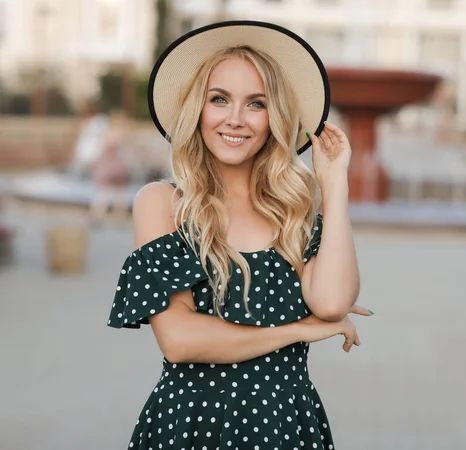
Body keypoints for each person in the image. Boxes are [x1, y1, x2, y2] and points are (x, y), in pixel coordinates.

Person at [107, 20, 372, 450]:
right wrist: (297, 330)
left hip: (286, 425)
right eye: (219, 99)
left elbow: (333, 302)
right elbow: (179, 340)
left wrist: (335, 185)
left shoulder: (295, 212)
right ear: (198, 109)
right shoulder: (162, 204)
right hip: (191, 427)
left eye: (256, 104)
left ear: (274, 118)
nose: (235, 119)